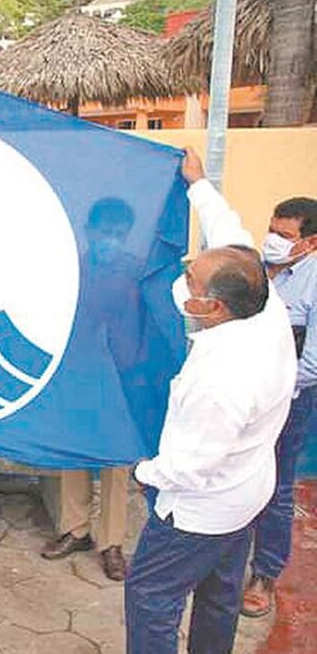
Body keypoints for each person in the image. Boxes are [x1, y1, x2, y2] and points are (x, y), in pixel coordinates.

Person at [124, 149, 297, 654]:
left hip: (198, 512)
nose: (184, 284)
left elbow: (191, 466)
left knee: (151, 597)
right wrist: (198, 184)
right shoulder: (263, 303)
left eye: (192, 283)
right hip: (244, 499)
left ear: (214, 306)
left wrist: (144, 474)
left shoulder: (221, 374)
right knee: (219, 596)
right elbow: (230, 231)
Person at [42, 200, 140, 581]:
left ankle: (112, 543)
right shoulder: (71, 269)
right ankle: (76, 529)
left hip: (121, 375)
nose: (110, 240)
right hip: (78, 373)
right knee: (74, 452)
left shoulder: (137, 272)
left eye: (118, 234)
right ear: (89, 231)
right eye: (104, 232)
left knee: (117, 461)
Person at [241, 194, 317, 617]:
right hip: (243, 395)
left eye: (285, 236)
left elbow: (314, 362)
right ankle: (224, 563)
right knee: (234, 474)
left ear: (310, 242)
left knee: (276, 485)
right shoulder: (257, 272)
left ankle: (264, 575)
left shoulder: (313, 282)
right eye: (272, 230)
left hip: (290, 399)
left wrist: (274, 388)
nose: (273, 241)